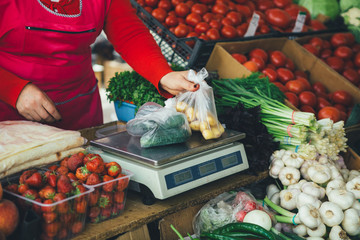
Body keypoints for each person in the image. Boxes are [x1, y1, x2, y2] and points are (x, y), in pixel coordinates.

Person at [0, 0, 199, 130]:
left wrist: (163, 75)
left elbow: (129, 33)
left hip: (80, 114)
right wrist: (13, 89)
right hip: (11, 118)